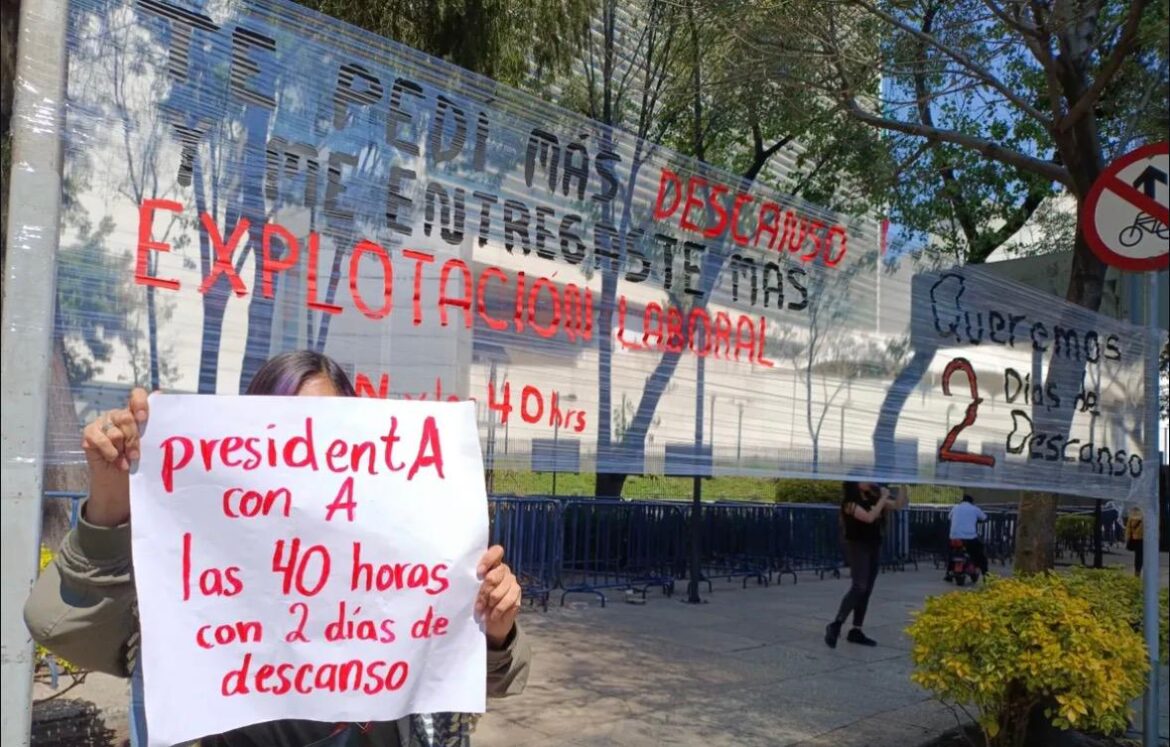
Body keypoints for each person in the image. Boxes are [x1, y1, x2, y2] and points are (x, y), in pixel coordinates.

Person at [24, 351, 531, 747]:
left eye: (329, 436)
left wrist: (495, 629)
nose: (309, 457)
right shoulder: (195, 563)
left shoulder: (403, 554)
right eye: (287, 435)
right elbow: (56, 623)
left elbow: (484, 677)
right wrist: (111, 497)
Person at [824, 482, 906, 648]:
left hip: (874, 545)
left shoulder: (873, 497)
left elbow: (897, 505)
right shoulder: (849, 503)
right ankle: (836, 624)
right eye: (864, 478)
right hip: (857, 546)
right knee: (859, 586)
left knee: (867, 589)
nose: (869, 481)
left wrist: (903, 486)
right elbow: (869, 517)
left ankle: (856, 629)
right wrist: (883, 498)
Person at [948, 494, 988, 577]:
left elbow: (949, 517)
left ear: (962, 501)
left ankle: (948, 573)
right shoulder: (974, 509)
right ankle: (986, 576)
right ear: (972, 502)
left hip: (954, 538)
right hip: (969, 538)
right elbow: (985, 518)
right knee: (980, 555)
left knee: (952, 554)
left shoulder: (955, 508)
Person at [1125, 505, 1144, 576]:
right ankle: (1139, 571)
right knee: (1141, 556)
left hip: (1135, 538)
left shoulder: (1131, 516)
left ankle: (1137, 572)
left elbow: (1128, 528)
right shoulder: (1145, 515)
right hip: (1143, 539)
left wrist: (1127, 538)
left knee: (1138, 557)